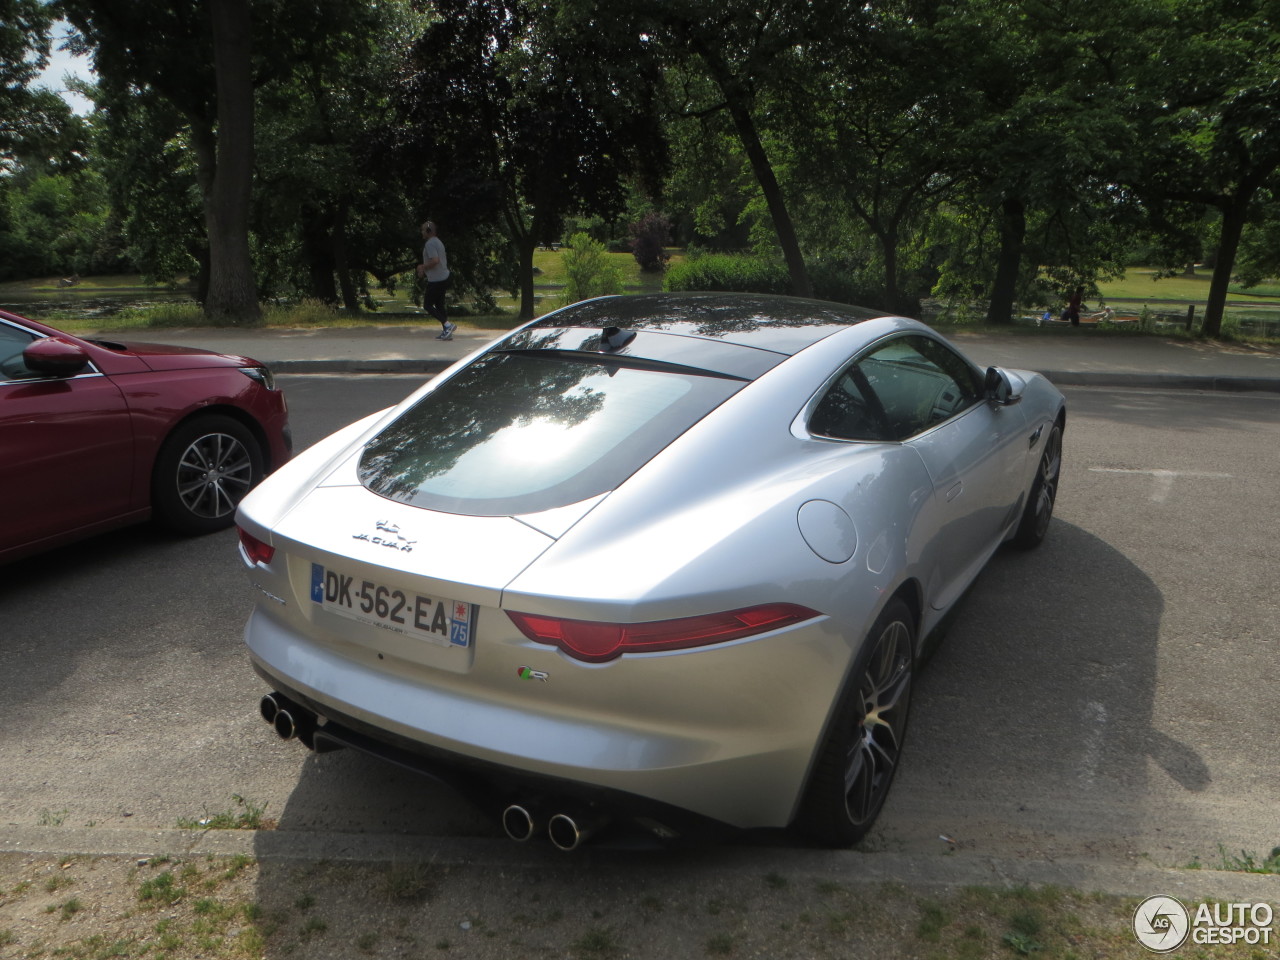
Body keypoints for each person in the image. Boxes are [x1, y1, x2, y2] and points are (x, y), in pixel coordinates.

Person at [416, 220, 454, 340]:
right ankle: (446, 332)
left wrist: (423, 267)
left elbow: (435, 260)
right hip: (444, 277)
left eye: (423, 230)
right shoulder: (438, 242)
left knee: (427, 305)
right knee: (439, 305)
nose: (422, 232)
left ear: (428, 231)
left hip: (437, 279)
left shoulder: (430, 244)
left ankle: (448, 325)